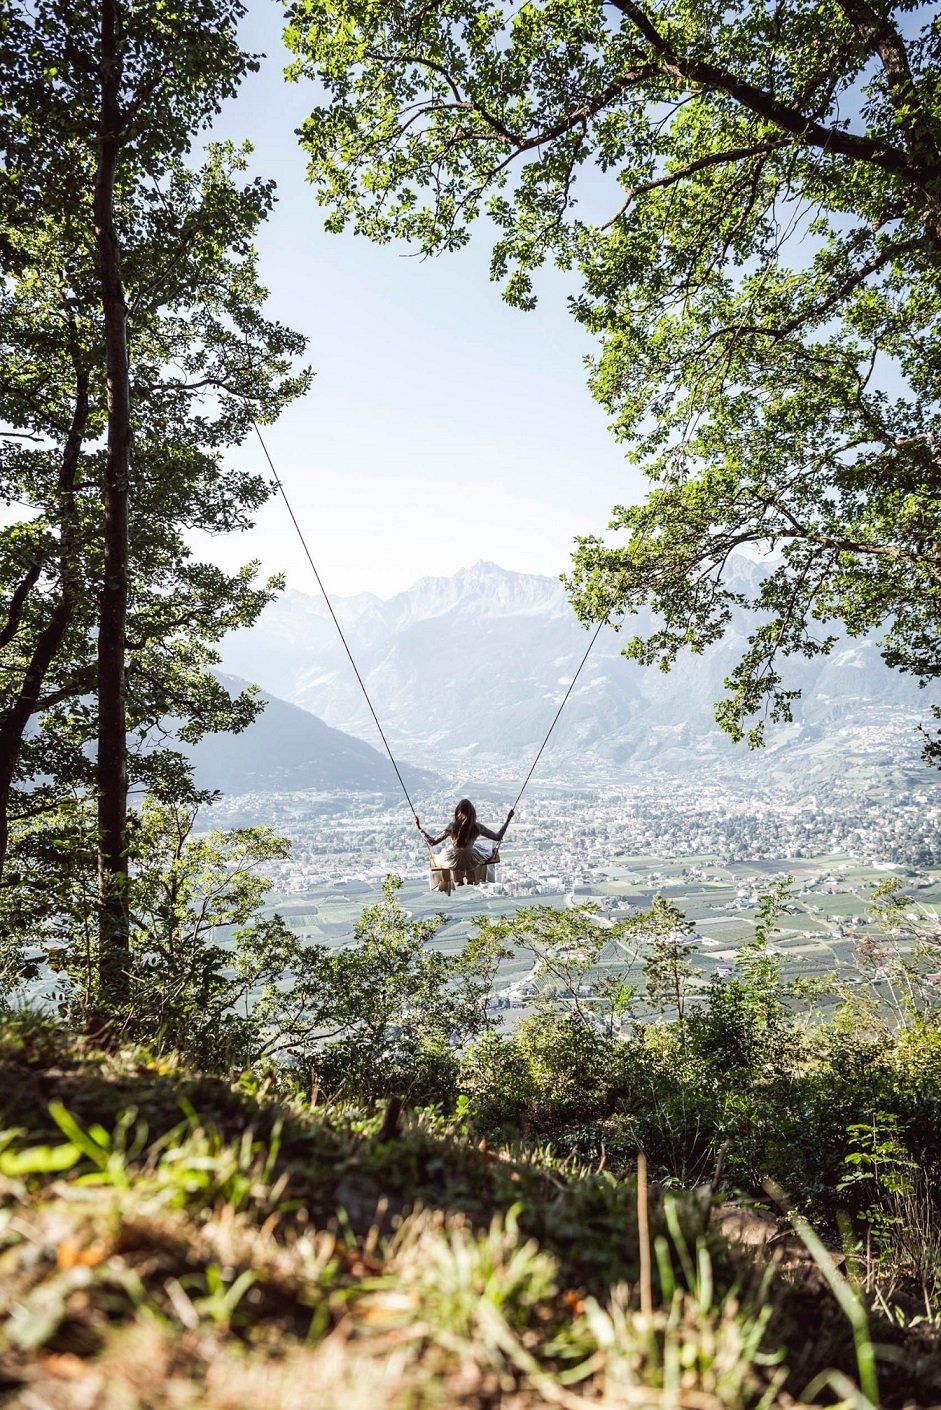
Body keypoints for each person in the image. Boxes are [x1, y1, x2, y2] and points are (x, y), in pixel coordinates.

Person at [414, 798, 514, 893]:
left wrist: (419, 828)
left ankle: (460, 880)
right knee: (478, 850)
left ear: (457, 813)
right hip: (472, 859)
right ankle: (470, 879)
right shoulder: (477, 827)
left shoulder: (452, 827)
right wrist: (508, 819)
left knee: (449, 857)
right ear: (473, 814)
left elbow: (432, 842)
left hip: (454, 860)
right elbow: (498, 837)